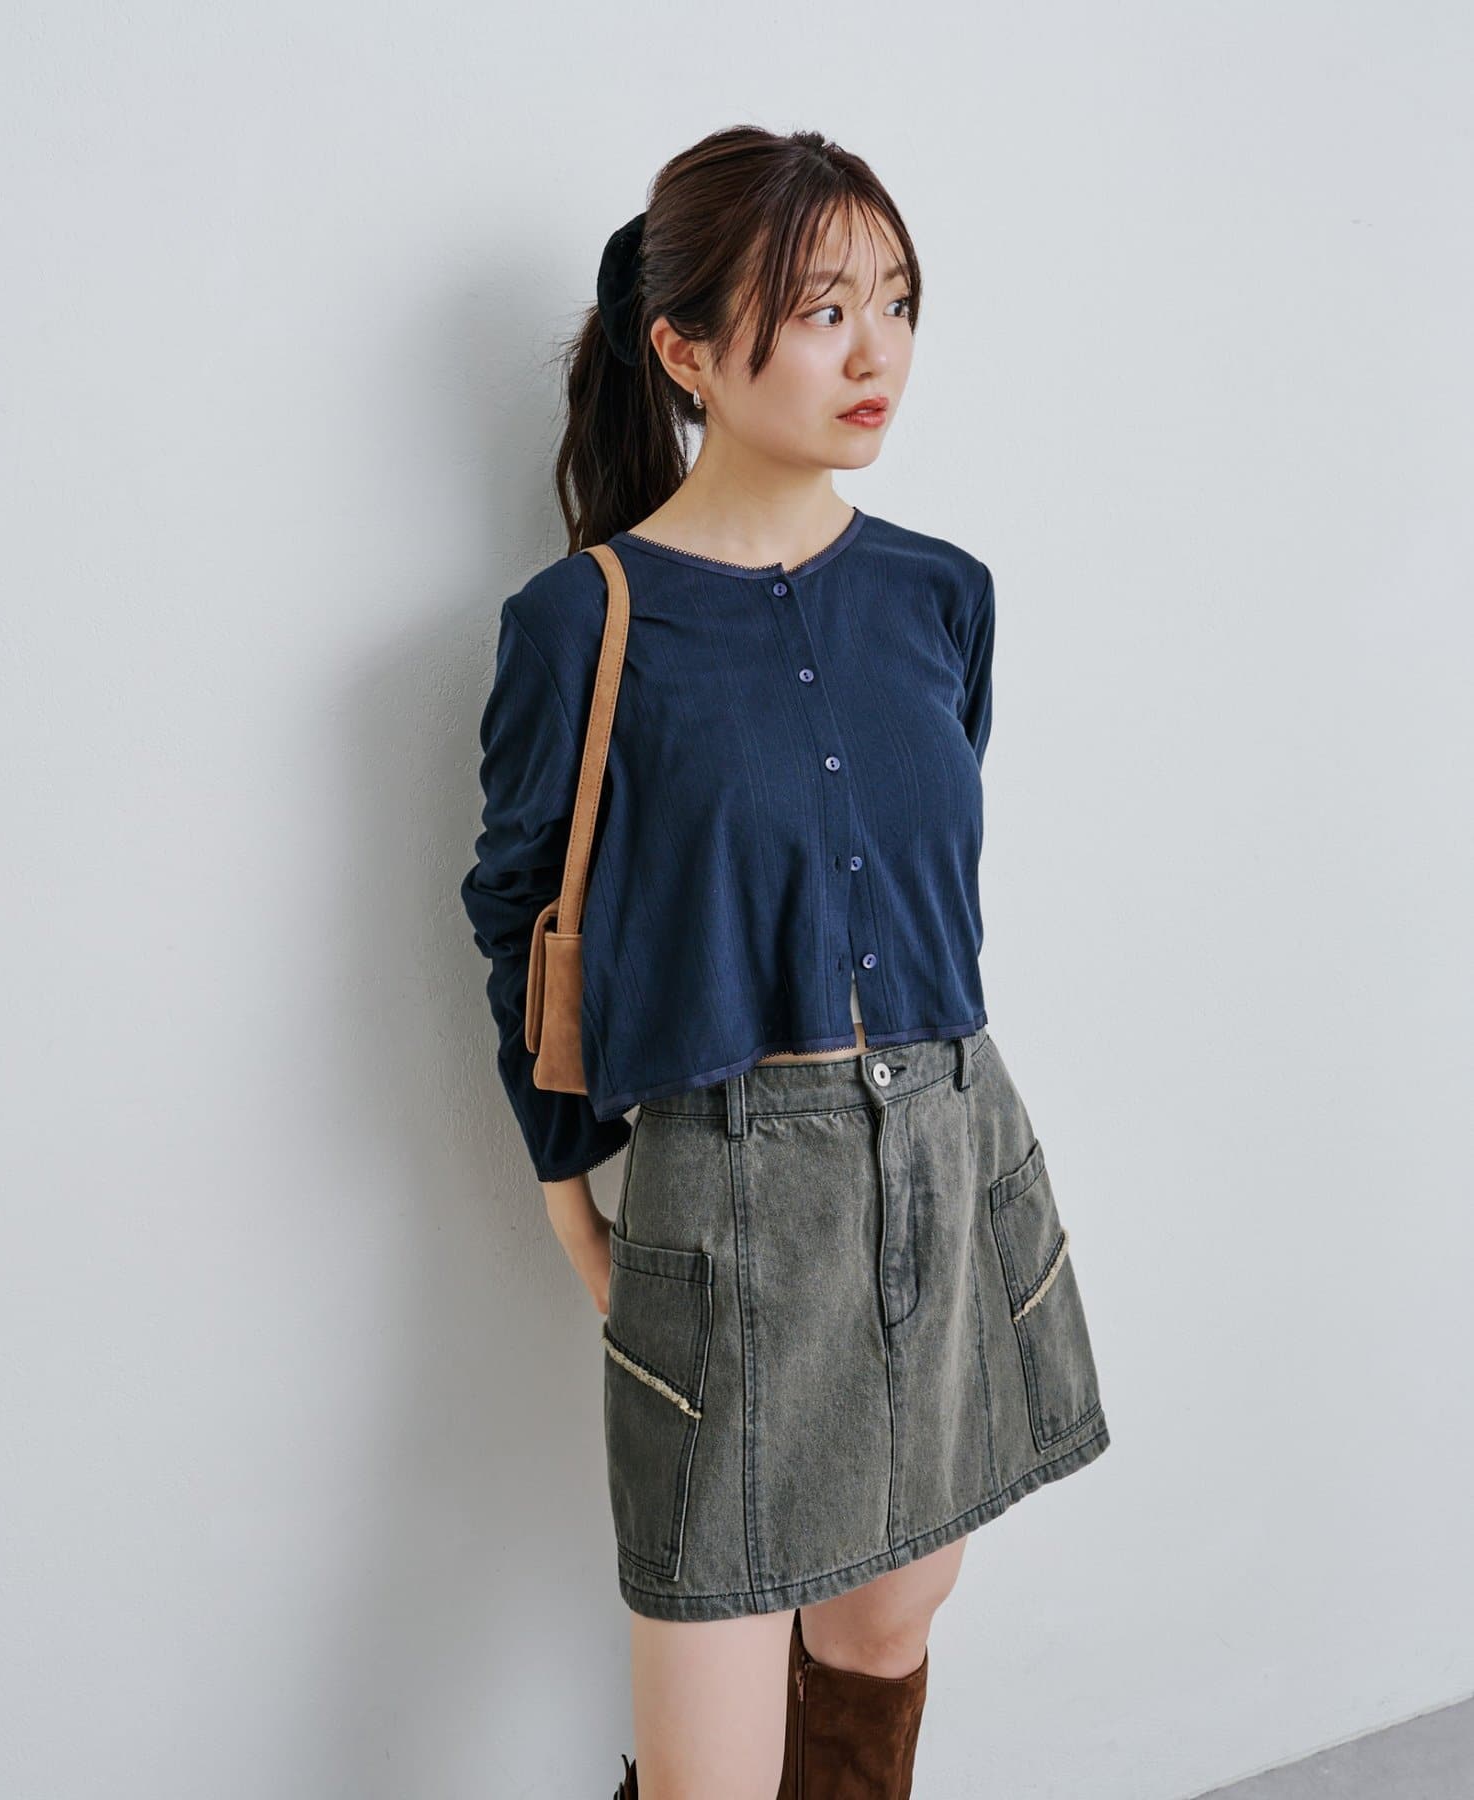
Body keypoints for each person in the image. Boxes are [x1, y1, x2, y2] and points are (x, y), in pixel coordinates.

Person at [459, 124, 1112, 1800]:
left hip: (955, 1158)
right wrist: (572, 1194)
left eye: (897, 301)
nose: (876, 351)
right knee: (708, 1770)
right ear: (684, 349)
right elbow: (514, 910)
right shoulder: (581, 624)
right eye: (823, 310)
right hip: (730, 1195)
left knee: (884, 1641)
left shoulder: (944, 598)